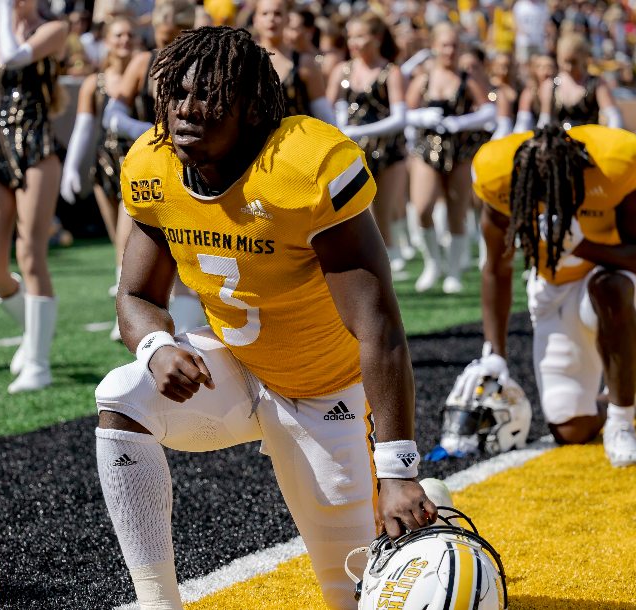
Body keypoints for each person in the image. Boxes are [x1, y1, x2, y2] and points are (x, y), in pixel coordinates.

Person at [95, 26, 435, 609]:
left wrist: (398, 469)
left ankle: (429, 506)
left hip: (325, 388)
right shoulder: (153, 163)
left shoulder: (304, 164)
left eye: (208, 96)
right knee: (122, 397)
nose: (185, 109)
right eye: (176, 92)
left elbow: (378, 324)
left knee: (350, 596)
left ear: (252, 107)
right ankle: (157, 602)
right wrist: (155, 347)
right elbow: (134, 296)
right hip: (236, 365)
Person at [467, 124, 636, 468]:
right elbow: (496, 268)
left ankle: (621, 421)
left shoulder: (613, 163)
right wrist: (494, 352)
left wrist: (584, 247)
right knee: (571, 427)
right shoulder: (499, 175)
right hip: (551, 290)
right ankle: (625, 392)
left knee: (608, 288)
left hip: (613, 284)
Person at [0, 0, 67, 393]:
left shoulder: (52, 30)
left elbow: (15, 56)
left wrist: (4, 13)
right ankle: (33, 330)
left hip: (38, 146)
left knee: (30, 253)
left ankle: (38, 364)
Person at [101, 0, 205, 334]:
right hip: (150, 160)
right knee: (131, 233)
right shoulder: (144, 61)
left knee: (188, 241)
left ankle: (187, 328)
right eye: (163, 37)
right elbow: (112, 114)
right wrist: (151, 133)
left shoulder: (203, 62)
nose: (169, 46)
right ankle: (130, 312)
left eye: (177, 36)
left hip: (192, 162)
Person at [405, 22, 495, 294]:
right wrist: (420, 116)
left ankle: (453, 270)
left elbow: (489, 111)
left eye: (455, 45)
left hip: (460, 151)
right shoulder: (424, 78)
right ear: (434, 47)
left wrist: (462, 122)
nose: (450, 51)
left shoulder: (468, 79)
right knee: (422, 208)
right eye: (444, 45)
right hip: (427, 149)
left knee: (457, 212)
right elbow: (403, 112)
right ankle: (434, 263)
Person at [60, 16, 136, 316]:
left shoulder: (145, 71)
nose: (125, 41)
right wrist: (70, 169)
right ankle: (127, 311)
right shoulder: (95, 82)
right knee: (117, 243)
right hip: (105, 165)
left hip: (139, 165)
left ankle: (127, 316)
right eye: (118, 35)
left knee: (126, 238)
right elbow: (83, 128)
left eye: (130, 34)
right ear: (106, 40)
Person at [328, 12, 408, 275]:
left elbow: (399, 117)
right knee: (362, 213)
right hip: (353, 153)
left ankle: (392, 259)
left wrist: (358, 129)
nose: (354, 42)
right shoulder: (343, 70)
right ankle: (376, 263)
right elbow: (331, 106)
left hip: (388, 150)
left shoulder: (390, 71)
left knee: (383, 211)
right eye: (351, 36)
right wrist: (342, 125)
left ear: (377, 38)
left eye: (360, 36)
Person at [251, 0, 335, 124]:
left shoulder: (305, 62)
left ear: (288, 19)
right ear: (255, 20)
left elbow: (324, 114)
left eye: (278, 13)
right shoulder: (247, 61)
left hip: (300, 140)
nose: (271, 19)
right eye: (265, 13)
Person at [536, 33, 623, 130]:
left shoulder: (596, 83)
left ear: (584, 58)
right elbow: (544, 120)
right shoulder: (550, 85)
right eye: (565, 61)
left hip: (588, 141)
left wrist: (611, 140)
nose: (569, 67)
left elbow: (613, 116)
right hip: (559, 143)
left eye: (574, 62)